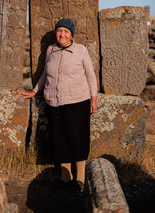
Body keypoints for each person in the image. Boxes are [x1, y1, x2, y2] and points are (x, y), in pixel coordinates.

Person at [19, 18, 97, 192]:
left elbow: (91, 76)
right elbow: (46, 74)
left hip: (77, 102)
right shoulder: (51, 50)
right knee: (59, 139)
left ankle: (80, 179)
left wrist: (93, 99)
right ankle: (65, 177)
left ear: (71, 35)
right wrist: (34, 90)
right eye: (59, 30)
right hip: (54, 102)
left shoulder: (80, 51)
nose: (62, 34)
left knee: (77, 139)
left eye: (66, 31)